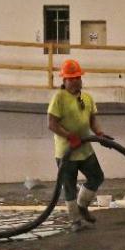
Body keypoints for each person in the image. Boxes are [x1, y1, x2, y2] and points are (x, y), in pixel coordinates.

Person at [47, 59, 109, 230]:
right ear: (64, 80)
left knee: (97, 176)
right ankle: (75, 220)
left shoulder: (87, 97)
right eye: (71, 78)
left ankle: (82, 206)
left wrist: (99, 133)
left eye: (77, 77)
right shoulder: (59, 98)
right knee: (69, 185)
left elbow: (92, 119)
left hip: (84, 148)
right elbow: (51, 124)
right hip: (66, 150)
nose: (75, 81)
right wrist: (68, 136)